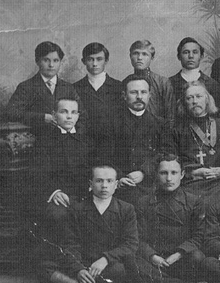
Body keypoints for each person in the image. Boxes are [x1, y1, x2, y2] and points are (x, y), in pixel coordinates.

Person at [33, 164, 139, 283]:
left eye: (109, 181)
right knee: (44, 266)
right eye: (99, 181)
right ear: (90, 184)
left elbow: (130, 243)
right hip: (83, 262)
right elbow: (70, 244)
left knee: (121, 271)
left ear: (116, 185)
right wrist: (79, 270)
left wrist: (105, 259)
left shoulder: (126, 209)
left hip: (109, 264)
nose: (104, 186)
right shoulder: (77, 209)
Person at [133, 154, 209, 283]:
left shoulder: (194, 201)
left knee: (197, 257)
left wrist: (178, 254)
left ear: (182, 175)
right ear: (156, 174)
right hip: (154, 261)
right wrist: (153, 256)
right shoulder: (144, 202)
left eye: (174, 173)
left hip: (180, 259)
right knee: (131, 260)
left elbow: (198, 236)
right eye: (163, 173)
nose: (169, 178)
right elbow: (138, 238)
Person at [164, 81, 220, 202]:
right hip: (190, 184)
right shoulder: (177, 130)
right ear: (184, 103)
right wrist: (192, 172)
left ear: (207, 99)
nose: (194, 101)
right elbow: (171, 161)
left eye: (199, 96)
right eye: (189, 98)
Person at [27, 97, 92, 221]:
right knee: (59, 216)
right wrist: (54, 192)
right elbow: (38, 173)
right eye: (63, 112)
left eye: (73, 112)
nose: (69, 116)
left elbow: (95, 167)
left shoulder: (86, 141)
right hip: (60, 195)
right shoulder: (44, 141)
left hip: (86, 194)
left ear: (78, 116)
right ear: (54, 115)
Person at [7, 41, 85, 138]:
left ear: (60, 62)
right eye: (46, 60)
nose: (51, 65)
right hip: (38, 139)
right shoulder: (26, 87)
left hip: (67, 140)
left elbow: (82, 115)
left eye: (56, 60)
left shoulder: (68, 88)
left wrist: (76, 137)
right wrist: (42, 117)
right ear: (37, 61)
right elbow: (11, 112)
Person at [110, 74, 167, 205]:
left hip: (151, 184)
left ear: (149, 95)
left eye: (143, 92)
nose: (139, 97)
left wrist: (144, 172)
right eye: (134, 92)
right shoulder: (112, 123)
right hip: (120, 186)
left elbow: (165, 154)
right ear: (124, 95)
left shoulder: (160, 124)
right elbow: (104, 155)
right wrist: (119, 177)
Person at [73, 42, 123, 162]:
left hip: (112, 146)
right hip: (84, 144)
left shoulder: (118, 86)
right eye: (90, 59)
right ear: (83, 61)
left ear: (106, 61)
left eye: (99, 59)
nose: (95, 64)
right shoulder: (75, 88)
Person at [126, 39, 175, 126]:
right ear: (130, 56)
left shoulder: (162, 83)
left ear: (152, 58)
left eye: (144, 54)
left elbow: (170, 116)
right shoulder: (126, 83)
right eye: (136, 53)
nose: (139, 58)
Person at [169, 37, 220, 109]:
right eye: (186, 52)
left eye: (195, 52)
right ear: (179, 56)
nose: (191, 56)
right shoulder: (169, 84)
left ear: (201, 56)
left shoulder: (212, 84)